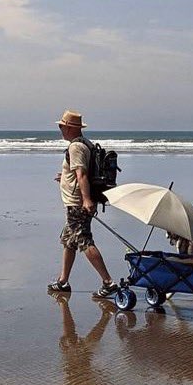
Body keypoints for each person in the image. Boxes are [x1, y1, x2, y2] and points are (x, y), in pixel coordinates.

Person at [47, 109, 119, 299]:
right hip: (76, 202)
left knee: (84, 241)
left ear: (70, 128)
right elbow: (77, 173)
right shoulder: (83, 144)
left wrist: (86, 199)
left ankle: (108, 282)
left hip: (77, 203)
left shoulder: (76, 147)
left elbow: (82, 174)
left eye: (62, 127)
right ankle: (63, 281)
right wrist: (64, 178)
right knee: (69, 241)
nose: (61, 130)